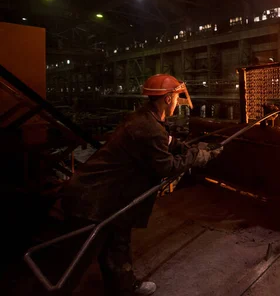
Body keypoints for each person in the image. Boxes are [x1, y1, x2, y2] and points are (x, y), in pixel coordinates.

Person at [62, 74, 222, 295]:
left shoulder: (143, 118)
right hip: (94, 197)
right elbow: (166, 167)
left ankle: (123, 287)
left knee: (116, 243)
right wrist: (201, 157)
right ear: (168, 98)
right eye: (176, 97)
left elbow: (167, 141)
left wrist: (188, 148)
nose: (177, 102)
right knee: (74, 263)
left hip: (99, 192)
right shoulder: (150, 128)